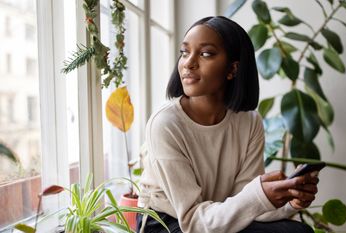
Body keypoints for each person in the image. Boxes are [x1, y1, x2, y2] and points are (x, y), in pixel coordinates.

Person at [137, 16, 319, 233]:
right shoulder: (165, 124)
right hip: (168, 223)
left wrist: (290, 201)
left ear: (233, 69)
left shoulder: (249, 122)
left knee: (298, 232)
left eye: (205, 54)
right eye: (185, 52)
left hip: (215, 215)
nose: (188, 62)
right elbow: (193, 221)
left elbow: (243, 204)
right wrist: (258, 195)